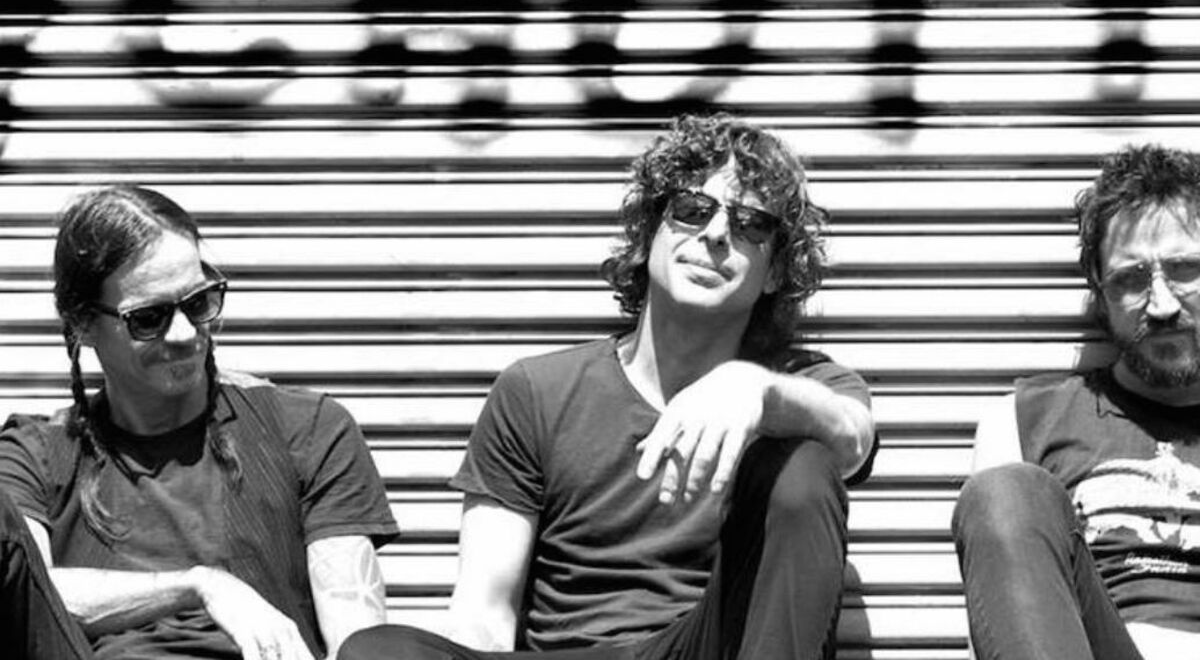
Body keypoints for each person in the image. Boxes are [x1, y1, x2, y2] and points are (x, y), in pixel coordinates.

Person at [340, 112, 877, 660]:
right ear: (649, 233)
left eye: (751, 224)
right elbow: (484, 613)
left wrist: (756, 391)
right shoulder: (538, 390)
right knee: (377, 650)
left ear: (775, 272)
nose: (716, 234)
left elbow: (852, 440)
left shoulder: (800, 385)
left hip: (701, 647)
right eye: (692, 209)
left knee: (805, 463)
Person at [0, 185, 400, 660]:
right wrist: (201, 587)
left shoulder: (308, 429)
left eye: (198, 302)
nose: (185, 333)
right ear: (82, 324)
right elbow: (25, 599)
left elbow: (357, 637)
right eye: (149, 317)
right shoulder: (35, 454)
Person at [952, 144, 1200, 660]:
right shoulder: (1024, 420)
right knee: (1005, 492)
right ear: (1100, 295)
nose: (1161, 304)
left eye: (1183, 270)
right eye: (1131, 279)